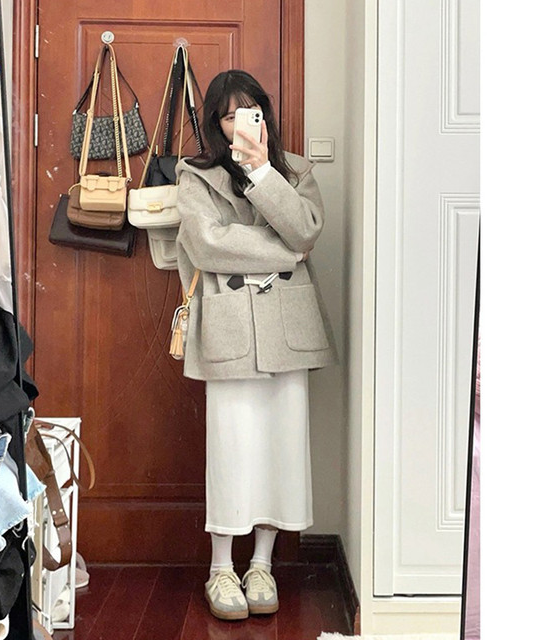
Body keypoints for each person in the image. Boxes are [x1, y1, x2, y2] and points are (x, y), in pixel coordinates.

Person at [175, 69, 337, 621]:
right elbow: (207, 244)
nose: (242, 123)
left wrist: (264, 171)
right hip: (229, 328)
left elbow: (306, 229)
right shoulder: (195, 176)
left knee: (283, 446)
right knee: (231, 448)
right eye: (230, 115)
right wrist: (286, 251)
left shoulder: (293, 172)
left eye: (251, 112)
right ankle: (221, 568)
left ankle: (262, 564)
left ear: (265, 115)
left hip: (287, 328)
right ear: (216, 124)